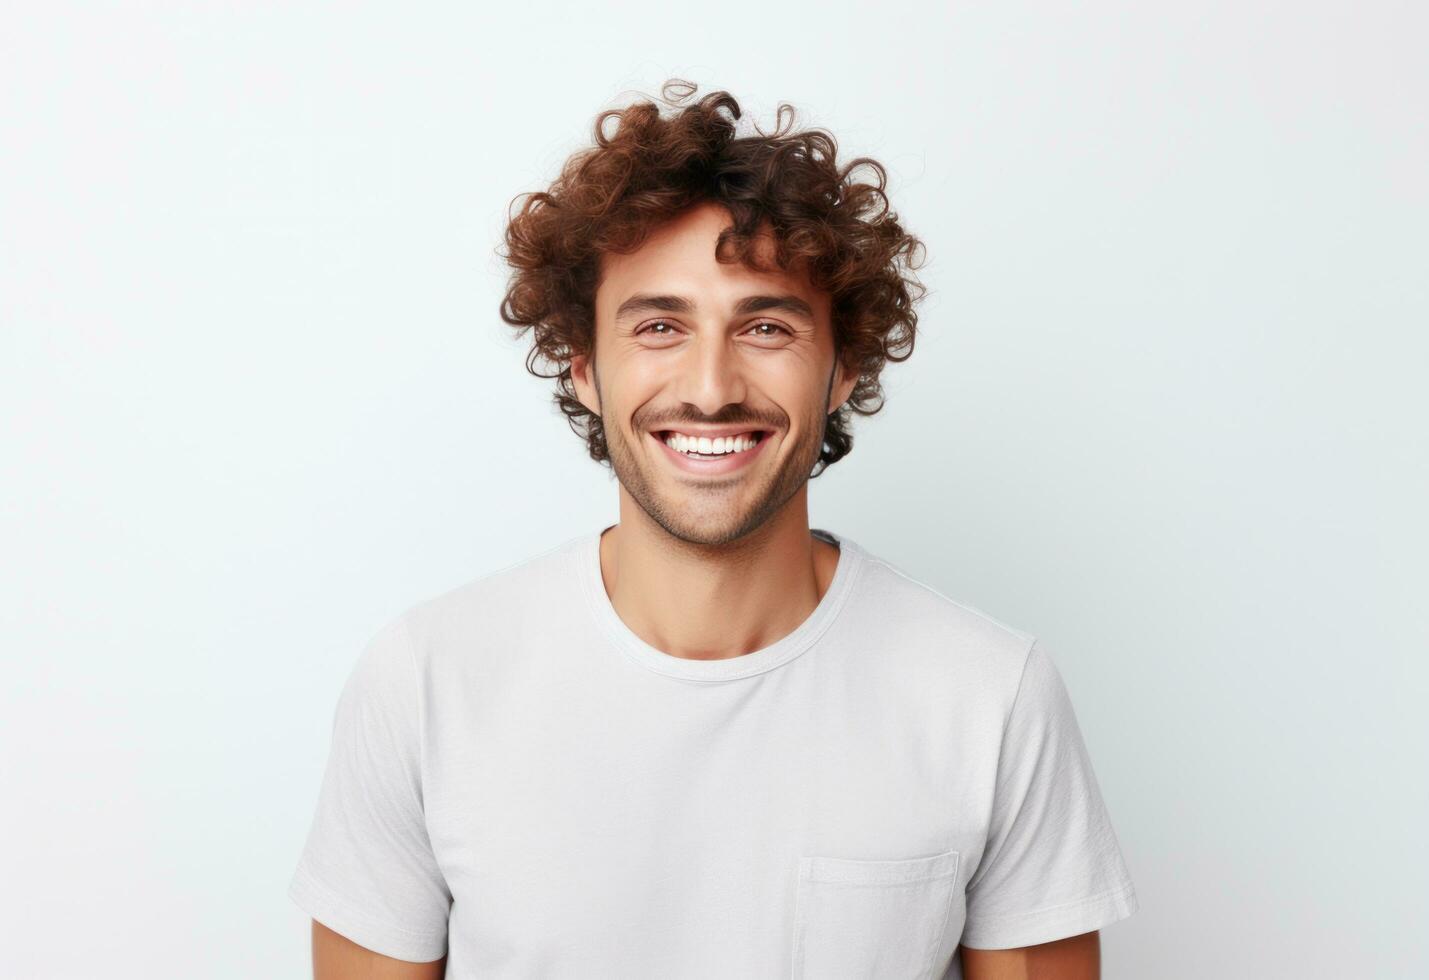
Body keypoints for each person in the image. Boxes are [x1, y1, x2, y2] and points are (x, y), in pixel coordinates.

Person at [287, 80, 1138, 980]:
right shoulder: (427, 681)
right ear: (582, 367)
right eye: (658, 325)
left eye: (765, 325)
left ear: (842, 367)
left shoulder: (989, 696)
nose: (710, 384)